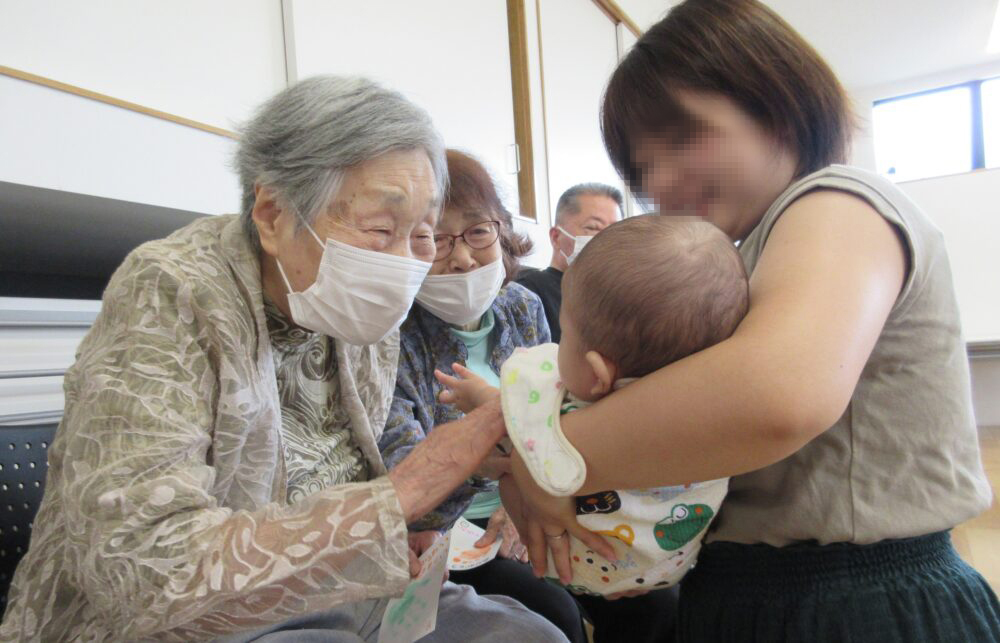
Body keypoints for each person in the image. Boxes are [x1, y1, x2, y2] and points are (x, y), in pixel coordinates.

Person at [0, 77, 566, 642]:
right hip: (193, 621)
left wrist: (450, 492)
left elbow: (378, 480)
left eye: (422, 235)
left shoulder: (365, 310)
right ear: (272, 215)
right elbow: (142, 569)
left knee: (531, 635)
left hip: (354, 589)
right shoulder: (172, 290)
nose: (404, 263)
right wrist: (403, 493)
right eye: (378, 228)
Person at [500, 1, 1000, 642]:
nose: (665, 183)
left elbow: (776, 396)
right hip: (754, 593)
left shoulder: (835, 200)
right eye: (644, 169)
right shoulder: (747, 255)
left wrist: (543, 459)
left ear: (777, 103)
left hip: (850, 598)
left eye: (684, 140)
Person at [438, 216, 746, 641]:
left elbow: (529, 427)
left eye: (566, 339)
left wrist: (481, 398)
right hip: (667, 559)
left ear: (598, 373)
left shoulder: (571, 395)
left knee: (518, 462)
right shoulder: (710, 401)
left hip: (588, 555)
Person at [378, 149, 586, 643]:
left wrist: (521, 501)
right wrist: (502, 462)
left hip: (535, 503)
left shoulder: (522, 306)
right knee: (554, 610)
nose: (464, 257)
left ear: (501, 230)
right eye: (438, 239)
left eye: (477, 232)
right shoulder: (389, 334)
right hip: (449, 534)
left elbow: (557, 411)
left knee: (651, 598)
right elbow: (405, 476)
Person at [515, 184, 622, 341]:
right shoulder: (529, 292)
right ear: (556, 237)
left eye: (615, 231)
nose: (606, 239)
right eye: (593, 227)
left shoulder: (620, 298)